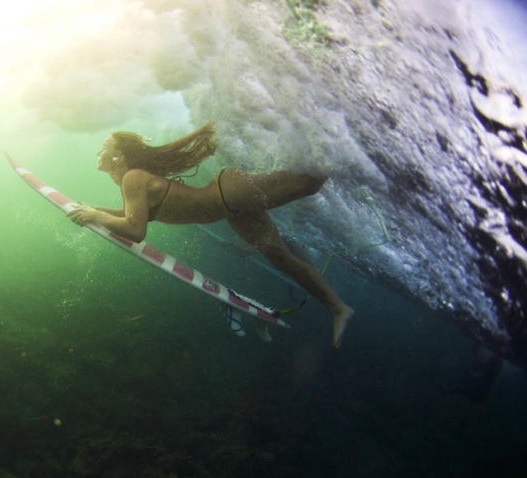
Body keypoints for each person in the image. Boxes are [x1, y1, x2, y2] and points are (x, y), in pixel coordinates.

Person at [67, 122, 354, 348]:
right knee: (282, 260)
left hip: (230, 193)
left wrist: (95, 215)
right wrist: (95, 209)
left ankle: (344, 140)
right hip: (231, 208)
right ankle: (338, 308)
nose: (98, 152)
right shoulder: (132, 183)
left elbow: (135, 230)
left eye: (103, 147)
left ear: (119, 155)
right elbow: (132, 216)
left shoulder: (132, 178)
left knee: (309, 184)